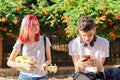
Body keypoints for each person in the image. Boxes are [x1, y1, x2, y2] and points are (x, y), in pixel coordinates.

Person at [7, 14, 51, 80]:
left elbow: (49, 59)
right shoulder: (20, 42)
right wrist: (24, 65)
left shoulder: (45, 40)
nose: (36, 27)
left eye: (37, 24)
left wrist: (45, 64)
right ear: (26, 26)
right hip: (24, 77)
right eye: (33, 25)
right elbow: (9, 62)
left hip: (42, 77)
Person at [68, 16, 109, 80]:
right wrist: (78, 65)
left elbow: (99, 68)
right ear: (79, 31)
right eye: (84, 35)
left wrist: (97, 63)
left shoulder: (104, 42)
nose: (87, 39)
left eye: (90, 35)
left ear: (94, 30)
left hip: (98, 73)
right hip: (81, 74)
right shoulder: (73, 44)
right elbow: (77, 69)